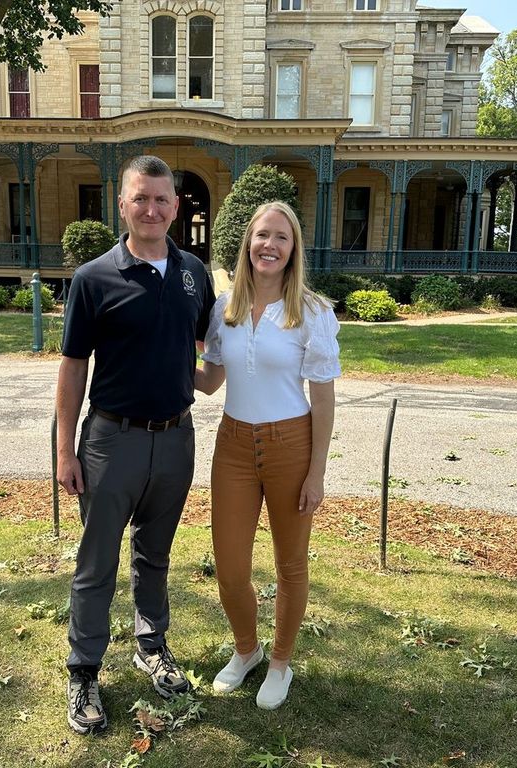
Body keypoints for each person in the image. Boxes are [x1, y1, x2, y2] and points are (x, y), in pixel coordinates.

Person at [56, 155, 216, 735]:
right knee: (96, 563)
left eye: (162, 199)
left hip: (176, 439)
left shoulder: (195, 273)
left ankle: (151, 645)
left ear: (175, 206)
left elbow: (209, 344)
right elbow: (73, 367)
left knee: (155, 555)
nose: (152, 209)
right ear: (122, 204)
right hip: (111, 441)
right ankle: (84, 670)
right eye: (140, 198)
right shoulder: (93, 277)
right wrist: (65, 451)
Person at [195, 200, 340, 710]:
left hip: (291, 446)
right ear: (248, 243)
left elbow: (323, 400)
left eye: (281, 237)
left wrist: (316, 473)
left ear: (293, 248)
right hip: (233, 446)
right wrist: (156, 356)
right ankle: (247, 650)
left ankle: (281, 661)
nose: (270, 245)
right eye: (262, 235)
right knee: (230, 566)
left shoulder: (312, 312)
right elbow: (210, 381)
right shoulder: (226, 308)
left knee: (290, 564)